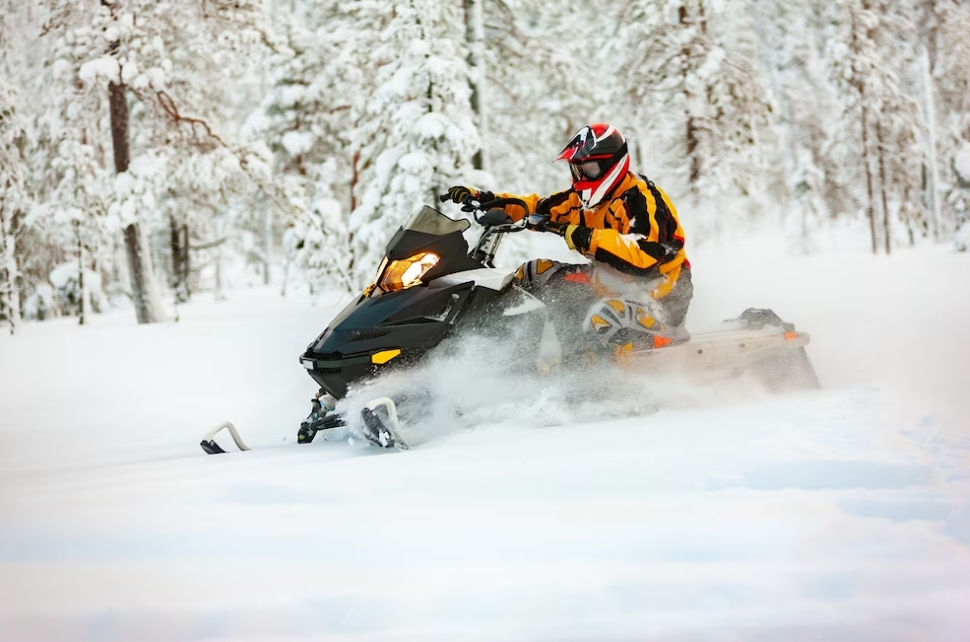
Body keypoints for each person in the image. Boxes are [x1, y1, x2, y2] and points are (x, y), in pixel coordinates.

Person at [444, 122, 692, 361]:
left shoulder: (643, 200)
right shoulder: (585, 201)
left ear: (612, 165)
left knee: (603, 318)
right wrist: (486, 199)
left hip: (660, 299)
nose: (581, 176)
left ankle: (608, 388)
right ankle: (505, 353)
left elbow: (645, 255)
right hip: (611, 285)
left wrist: (583, 236)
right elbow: (536, 208)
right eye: (577, 168)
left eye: (589, 168)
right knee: (534, 272)